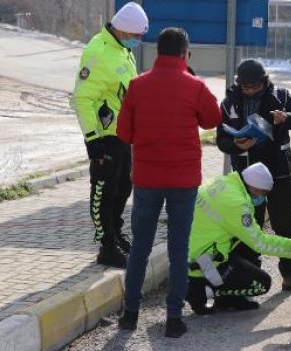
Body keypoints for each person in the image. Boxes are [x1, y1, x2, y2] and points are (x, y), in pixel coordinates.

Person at [115, 27, 222, 337]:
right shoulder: (195, 86)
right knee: (178, 248)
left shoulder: (137, 86)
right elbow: (212, 119)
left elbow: (123, 134)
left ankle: (130, 314)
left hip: (147, 180)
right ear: (184, 53)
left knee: (140, 248)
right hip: (183, 182)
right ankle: (173, 319)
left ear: (157, 52)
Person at [216, 59, 291, 291]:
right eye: (245, 87)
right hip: (247, 175)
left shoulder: (282, 96)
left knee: (284, 224)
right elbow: (221, 139)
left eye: (254, 87)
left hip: (277, 171)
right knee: (248, 225)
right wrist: (236, 145)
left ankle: (289, 274)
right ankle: (249, 276)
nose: (250, 91)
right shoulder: (228, 104)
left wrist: (287, 118)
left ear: (264, 82)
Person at [70, 2, 148, 268]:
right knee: (104, 189)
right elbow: (81, 99)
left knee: (123, 187)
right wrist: (93, 141)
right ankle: (106, 246)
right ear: (123, 30)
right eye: (137, 36)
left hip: (123, 134)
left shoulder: (124, 51)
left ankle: (115, 233)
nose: (139, 41)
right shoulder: (98, 52)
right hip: (105, 137)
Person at [185, 163, 291, 314]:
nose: (262, 198)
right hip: (204, 264)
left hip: (192, 252)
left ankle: (229, 300)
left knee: (247, 245)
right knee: (261, 284)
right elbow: (260, 242)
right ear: (255, 189)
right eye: (262, 194)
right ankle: (198, 291)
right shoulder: (237, 204)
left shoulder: (222, 182)